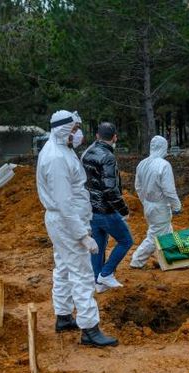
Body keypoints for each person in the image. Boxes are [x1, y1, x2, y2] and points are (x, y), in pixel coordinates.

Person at [36, 109, 118, 347]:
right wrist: (82, 235)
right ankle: (90, 329)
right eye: (74, 129)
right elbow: (64, 202)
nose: (78, 134)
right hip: (67, 222)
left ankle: (63, 316)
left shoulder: (61, 150)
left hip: (64, 221)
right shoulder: (57, 158)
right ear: (63, 130)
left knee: (63, 267)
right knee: (82, 273)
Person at [81, 122, 133, 292]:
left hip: (90, 209)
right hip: (105, 209)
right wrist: (123, 209)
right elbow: (110, 188)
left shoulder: (87, 153)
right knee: (126, 240)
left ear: (97, 136)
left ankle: (97, 282)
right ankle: (106, 273)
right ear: (114, 137)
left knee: (98, 246)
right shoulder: (108, 157)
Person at [130, 135, 182, 269]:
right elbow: (169, 190)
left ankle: (169, 258)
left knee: (167, 232)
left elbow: (138, 186)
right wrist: (177, 206)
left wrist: (145, 201)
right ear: (163, 147)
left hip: (148, 205)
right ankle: (137, 261)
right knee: (155, 236)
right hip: (160, 206)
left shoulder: (142, 164)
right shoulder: (163, 165)